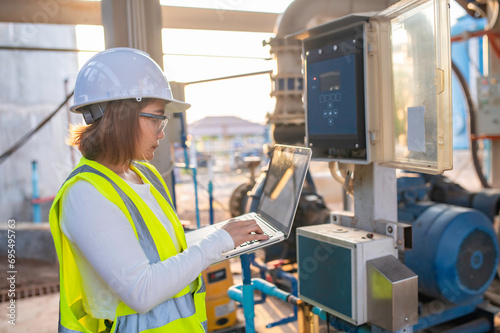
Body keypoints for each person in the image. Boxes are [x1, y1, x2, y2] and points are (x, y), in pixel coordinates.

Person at [49, 47, 269, 333]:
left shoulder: (145, 175)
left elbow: (156, 250)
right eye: (156, 117)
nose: (162, 131)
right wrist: (219, 242)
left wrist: (208, 235)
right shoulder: (85, 194)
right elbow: (142, 291)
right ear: (122, 115)